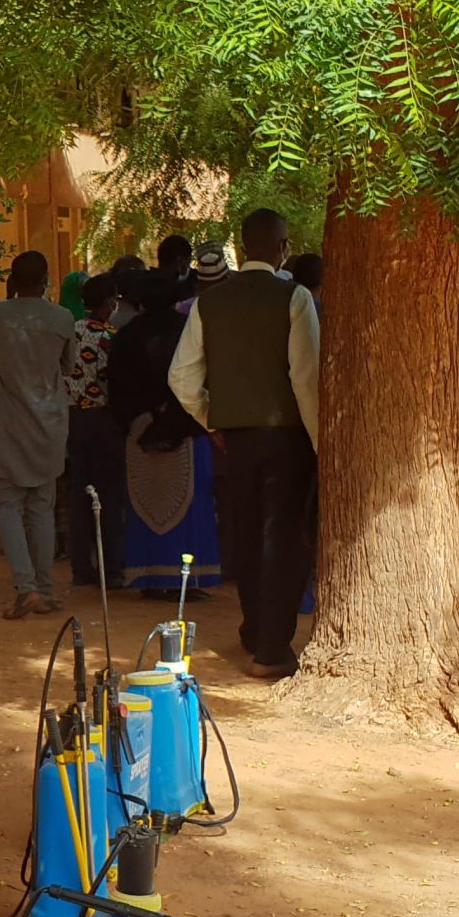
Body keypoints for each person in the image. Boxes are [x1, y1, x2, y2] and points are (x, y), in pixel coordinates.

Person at [168, 209, 321, 676]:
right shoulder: (293, 296)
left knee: (248, 534)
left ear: (242, 243)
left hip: (234, 438)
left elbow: (181, 376)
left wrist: (212, 419)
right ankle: (271, 648)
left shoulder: (210, 302)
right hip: (288, 436)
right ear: (283, 246)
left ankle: (255, 628)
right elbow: (305, 377)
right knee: (285, 538)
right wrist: (321, 442)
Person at [108, 266, 221, 599]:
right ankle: (186, 580)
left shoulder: (126, 335)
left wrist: (143, 413)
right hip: (186, 425)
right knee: (191, 506)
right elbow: (202, 376)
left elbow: (115, 385)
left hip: (139, 427)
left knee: (144, 504)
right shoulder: (188, 329)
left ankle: (149, 579)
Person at [0, 250, 80, 618]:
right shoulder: (62, 318)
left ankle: (25, 588)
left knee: (8, 507)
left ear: (12, 281)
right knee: (41, 509)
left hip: (5, 425)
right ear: (46, 281)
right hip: (48, 426)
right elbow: (68, 367)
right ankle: (45, 588)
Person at [64, 273, 127, 587]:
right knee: (109, 496)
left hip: (74, 420)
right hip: (104, 420)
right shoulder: (111, 337)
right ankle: (112, 568)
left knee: (78, 493)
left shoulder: (70, 332)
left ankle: (80, 568)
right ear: (108, 303)